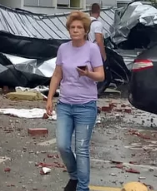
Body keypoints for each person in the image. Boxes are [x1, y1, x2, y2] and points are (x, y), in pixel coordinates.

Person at [46, 11, 105, 191]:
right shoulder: (63, 48)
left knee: (81, 148)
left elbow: (101, 76)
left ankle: (82, 188)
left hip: (86, 106)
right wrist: (49, 98)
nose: (75, 30)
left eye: (79, 27)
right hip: (65, 104)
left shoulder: (92, 48)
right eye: (72, 27)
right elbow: (57, 74)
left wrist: (88, 73)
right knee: (63, 145)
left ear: (86, 30)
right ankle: (74, 175)